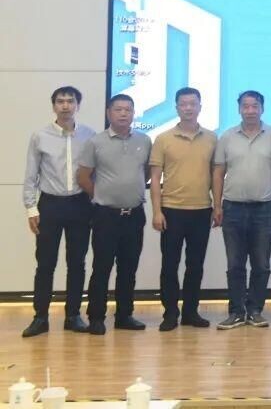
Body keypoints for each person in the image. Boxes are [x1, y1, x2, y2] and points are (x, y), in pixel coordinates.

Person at [22, 86, 96, 337]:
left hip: (80, 204)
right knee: (45, 263)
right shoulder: (39, 136)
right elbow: (31, 175)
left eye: (70, 101)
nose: (65, 106)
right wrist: (31, 208)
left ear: (78, 105)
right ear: (53, 106)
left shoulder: (89, 135)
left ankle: (73, 316)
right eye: (60, 101)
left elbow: (94, 172)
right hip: (50, 205)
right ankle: (40, 317)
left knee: (77, 262)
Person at [78, 94, 152, 335]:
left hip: (134, 215)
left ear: (133, 113)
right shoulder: (95, 142)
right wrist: (101, 195)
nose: (123, 113)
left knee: (128, 268)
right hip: (105, 216)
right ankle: (96, 317)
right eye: (118, 109)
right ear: (109, 112)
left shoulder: (144, 140)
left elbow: (146, 173)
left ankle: (124, 315)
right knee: (102, 267)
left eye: (128, 109)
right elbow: (83, 177)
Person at [149, 87, 217, 331]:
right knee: (169, 265)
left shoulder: (212, 138)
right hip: (171, 210)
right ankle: (170, 313)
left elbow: (216, 175)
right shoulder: (163, 139)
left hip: (201, 210)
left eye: (193, 103)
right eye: (183, 104)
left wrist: (217, 206)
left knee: (195, 265)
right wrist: (157, 211)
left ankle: (191, 312)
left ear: (200, 106)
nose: (188, 108)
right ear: (176, 107)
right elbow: (154, 178)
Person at [211, 90, 271, 329]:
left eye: (255, 106)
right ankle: (237, 312)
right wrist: (216, 205)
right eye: (245, 106)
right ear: (239, 109)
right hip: (233, 208)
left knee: (261, 264)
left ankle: (255, 310)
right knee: (235, 265)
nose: (250, 110)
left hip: (265, 208)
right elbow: (218, 172)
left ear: (262, 108)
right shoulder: (227, 137)